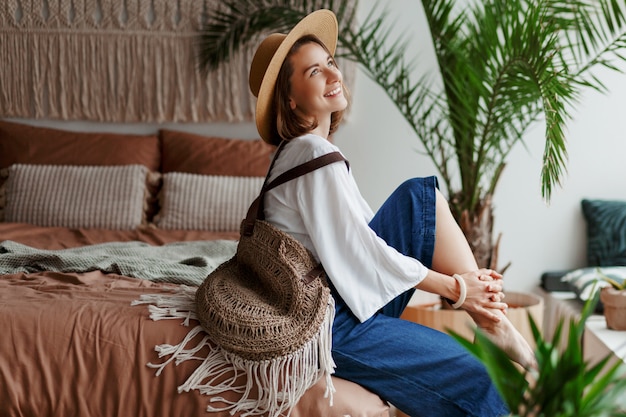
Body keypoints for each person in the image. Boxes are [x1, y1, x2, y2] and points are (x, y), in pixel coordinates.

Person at [248, 9, 534, 417]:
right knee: (478, 376)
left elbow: (366, 241)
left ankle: (490, 322)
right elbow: (364, 252)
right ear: (289, 98)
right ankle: (487, 321)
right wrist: (457, 288)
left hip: (341, 302)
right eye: (314, 72)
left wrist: (461, 289)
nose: (333, 75)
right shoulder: (310, 153)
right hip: (326, 325)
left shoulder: (309, 153)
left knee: (420, 198)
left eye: (330, 63)